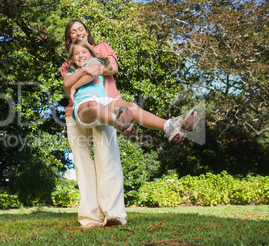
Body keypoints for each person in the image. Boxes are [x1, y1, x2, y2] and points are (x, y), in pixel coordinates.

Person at [63, 39, 200, 144]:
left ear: (90, 53)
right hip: (83, 107)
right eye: (76, 54)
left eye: (84, 52)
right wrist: (81, 71)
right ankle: (118, 123)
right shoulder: (71, 73)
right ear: (72, 59)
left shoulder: (95, 61)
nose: (81, 55)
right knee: (91, 105)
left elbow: (92, 72)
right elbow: (66, 84)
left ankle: (169, 125)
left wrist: (75, 86)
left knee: (129, 106)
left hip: (103, 102)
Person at [60, 19, 127, 229]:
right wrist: (91, 68)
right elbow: (66, 86)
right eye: (73, 31)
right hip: (75, 112)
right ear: (69, 37)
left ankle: (114, 214)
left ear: (87, 32)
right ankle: (90, 217)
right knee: (82, 164)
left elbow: (112, 68)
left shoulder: (101, 48)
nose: (78, 33)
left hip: (103, 108)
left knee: (107, 159)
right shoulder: (67, 62)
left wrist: (89, 69)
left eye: (81, 29)